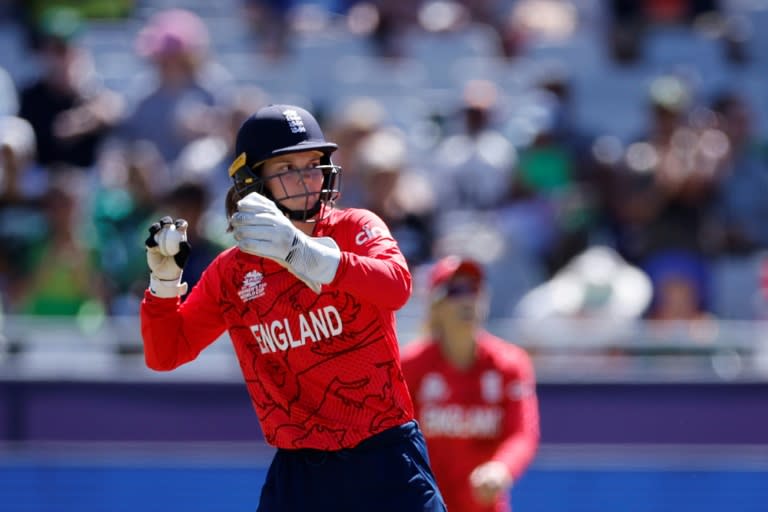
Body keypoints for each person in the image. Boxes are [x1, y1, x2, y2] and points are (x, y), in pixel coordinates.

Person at [139, 104, 446, 512]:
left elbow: (396, 287)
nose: (305, 179)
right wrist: (162, 287)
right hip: (302, 474)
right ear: (253, 181)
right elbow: (166, 353)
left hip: (386, 459)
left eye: (312, 164)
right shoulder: (231, 273)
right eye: (286, 167)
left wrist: (304, 253)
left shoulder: (354, 227)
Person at [401, 255, 540, 512]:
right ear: (436, 305)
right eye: (456, 291)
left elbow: (522, 433)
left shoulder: (509, 364)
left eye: (474, 289)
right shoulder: (411, 365)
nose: (467, 299)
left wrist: (502, 467)